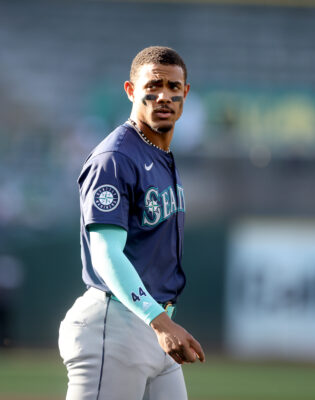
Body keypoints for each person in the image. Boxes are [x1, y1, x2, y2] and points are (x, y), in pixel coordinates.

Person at [58, 46, 205, 400]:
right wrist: (160, 321)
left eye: (173, 87)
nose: (164, 95)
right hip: (117, 324)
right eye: (153, 85)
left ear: (185, 93)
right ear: (130, 90)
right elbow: (106, 254)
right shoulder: (116, 157)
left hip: (152, 325)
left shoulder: (160, 153)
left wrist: (160, 321)